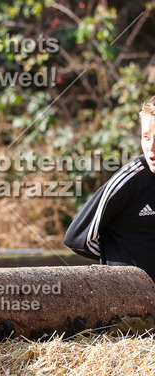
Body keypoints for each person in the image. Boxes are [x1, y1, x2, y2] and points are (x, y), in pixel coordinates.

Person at [64, 95, 155, 281]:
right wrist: (120, 259)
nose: (151, 147)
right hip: (130, 296)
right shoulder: (129, 180)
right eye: (146, 137)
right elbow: (76, 238)